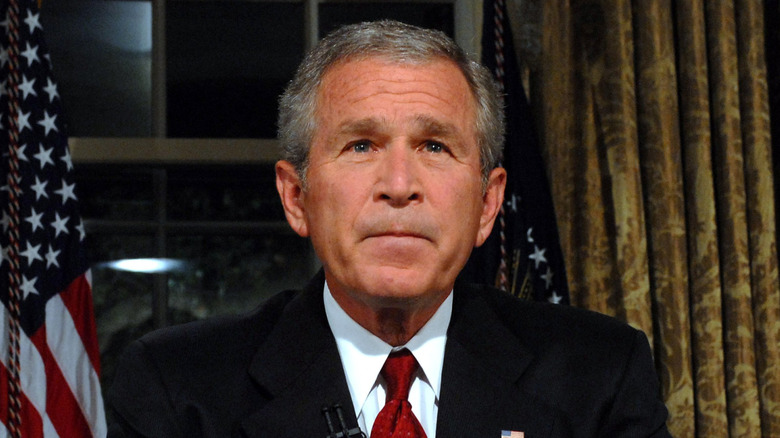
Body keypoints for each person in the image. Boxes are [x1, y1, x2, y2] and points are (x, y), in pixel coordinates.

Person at [108, 20, 671, 438]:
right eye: (360, 145)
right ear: (296, 196)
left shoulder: (600, 375)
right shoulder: (176, 386)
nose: (399, 184)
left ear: (487, 204)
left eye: (434, 145)